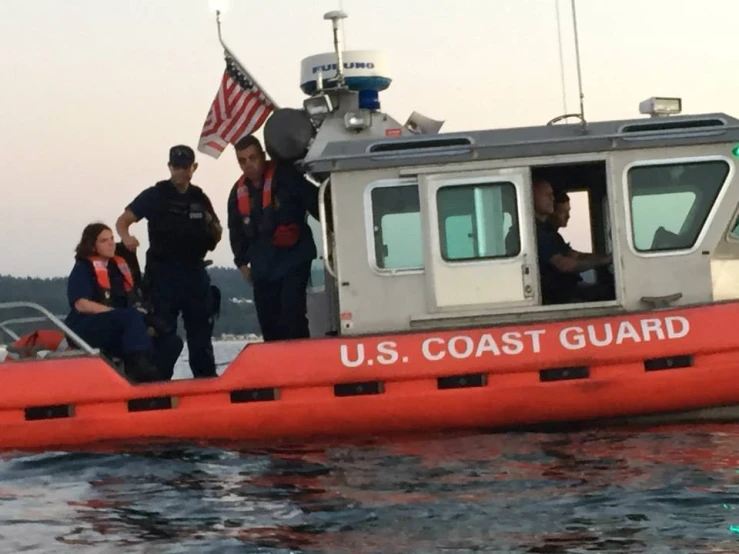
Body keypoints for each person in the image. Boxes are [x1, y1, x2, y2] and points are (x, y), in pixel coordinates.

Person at [115, 145, 222, 378]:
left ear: (193, 168)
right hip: (163, 276)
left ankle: (206, 385)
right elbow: (123, 220)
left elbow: (217, 231)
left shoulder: (199, 198)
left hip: (194, 273)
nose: (180, 172)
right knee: (164, 335)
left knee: (201, 336)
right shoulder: (155, 195)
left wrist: (209, 225)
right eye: (176, 167)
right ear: (169, 167)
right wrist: (127, 238)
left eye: (185, 167)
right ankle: (158, 387)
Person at [227, 135, 319, 342]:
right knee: (269, 324)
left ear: (263, 156)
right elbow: (236, 231)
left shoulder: (287, 177)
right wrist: (242, 265)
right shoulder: (237, 193)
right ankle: (277, 370)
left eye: (253, 158)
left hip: (293, 259)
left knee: (292, 315)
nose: (249, 164)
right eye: (243, 161)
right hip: (263, 266)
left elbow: (318, 204)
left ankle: (301, 365)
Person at [65, 223, 162, 383]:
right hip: (84, 327)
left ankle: (158, 378)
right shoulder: (84, 268)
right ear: (92, 245)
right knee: (130, 317)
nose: (111, 244)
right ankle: (140, 370)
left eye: (112, 239)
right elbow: (81, 304)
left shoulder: (118, 268)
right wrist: (115, 313)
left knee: (168, 337)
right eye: (104, 241)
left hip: (118, 323)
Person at [533, 179, 613, 304]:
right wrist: (604, 261)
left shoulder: (549, 233)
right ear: (532, 195)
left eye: (552, 195)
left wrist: (609, 257)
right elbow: (564, 265)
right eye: (547, 195)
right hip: (558, 295)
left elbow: (575, 255)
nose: (552, 199)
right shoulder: (534, 232)